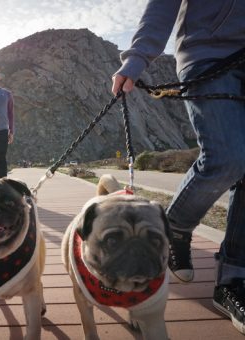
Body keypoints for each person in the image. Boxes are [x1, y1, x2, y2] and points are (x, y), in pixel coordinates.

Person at [111, 0, 245, 334]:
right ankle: (175, 228)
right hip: (208, 54)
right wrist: (138, 57)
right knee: (227, 158)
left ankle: (234, 277)